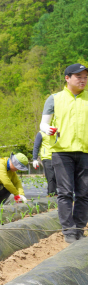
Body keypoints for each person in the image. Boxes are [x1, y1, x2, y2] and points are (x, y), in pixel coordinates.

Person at [39, 63, 88, 243]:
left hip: (85, 152)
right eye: (79, 77)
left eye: (85, 77)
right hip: (62, 152)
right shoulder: (54, 99)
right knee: (65, 193)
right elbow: (43, 124)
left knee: (84, 193)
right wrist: (48, 129)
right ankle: (69, 232)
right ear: (67, 78)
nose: (83, 80)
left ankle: (79, 230)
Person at [32, 129, 56, 196]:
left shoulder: (57, 132)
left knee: (57, 176)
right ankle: (52, 194)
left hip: (57, 156)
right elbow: (36, 146)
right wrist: (34, 159)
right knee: (50, 176)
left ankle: (53, 193)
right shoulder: (41, 133)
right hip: (47, 157)